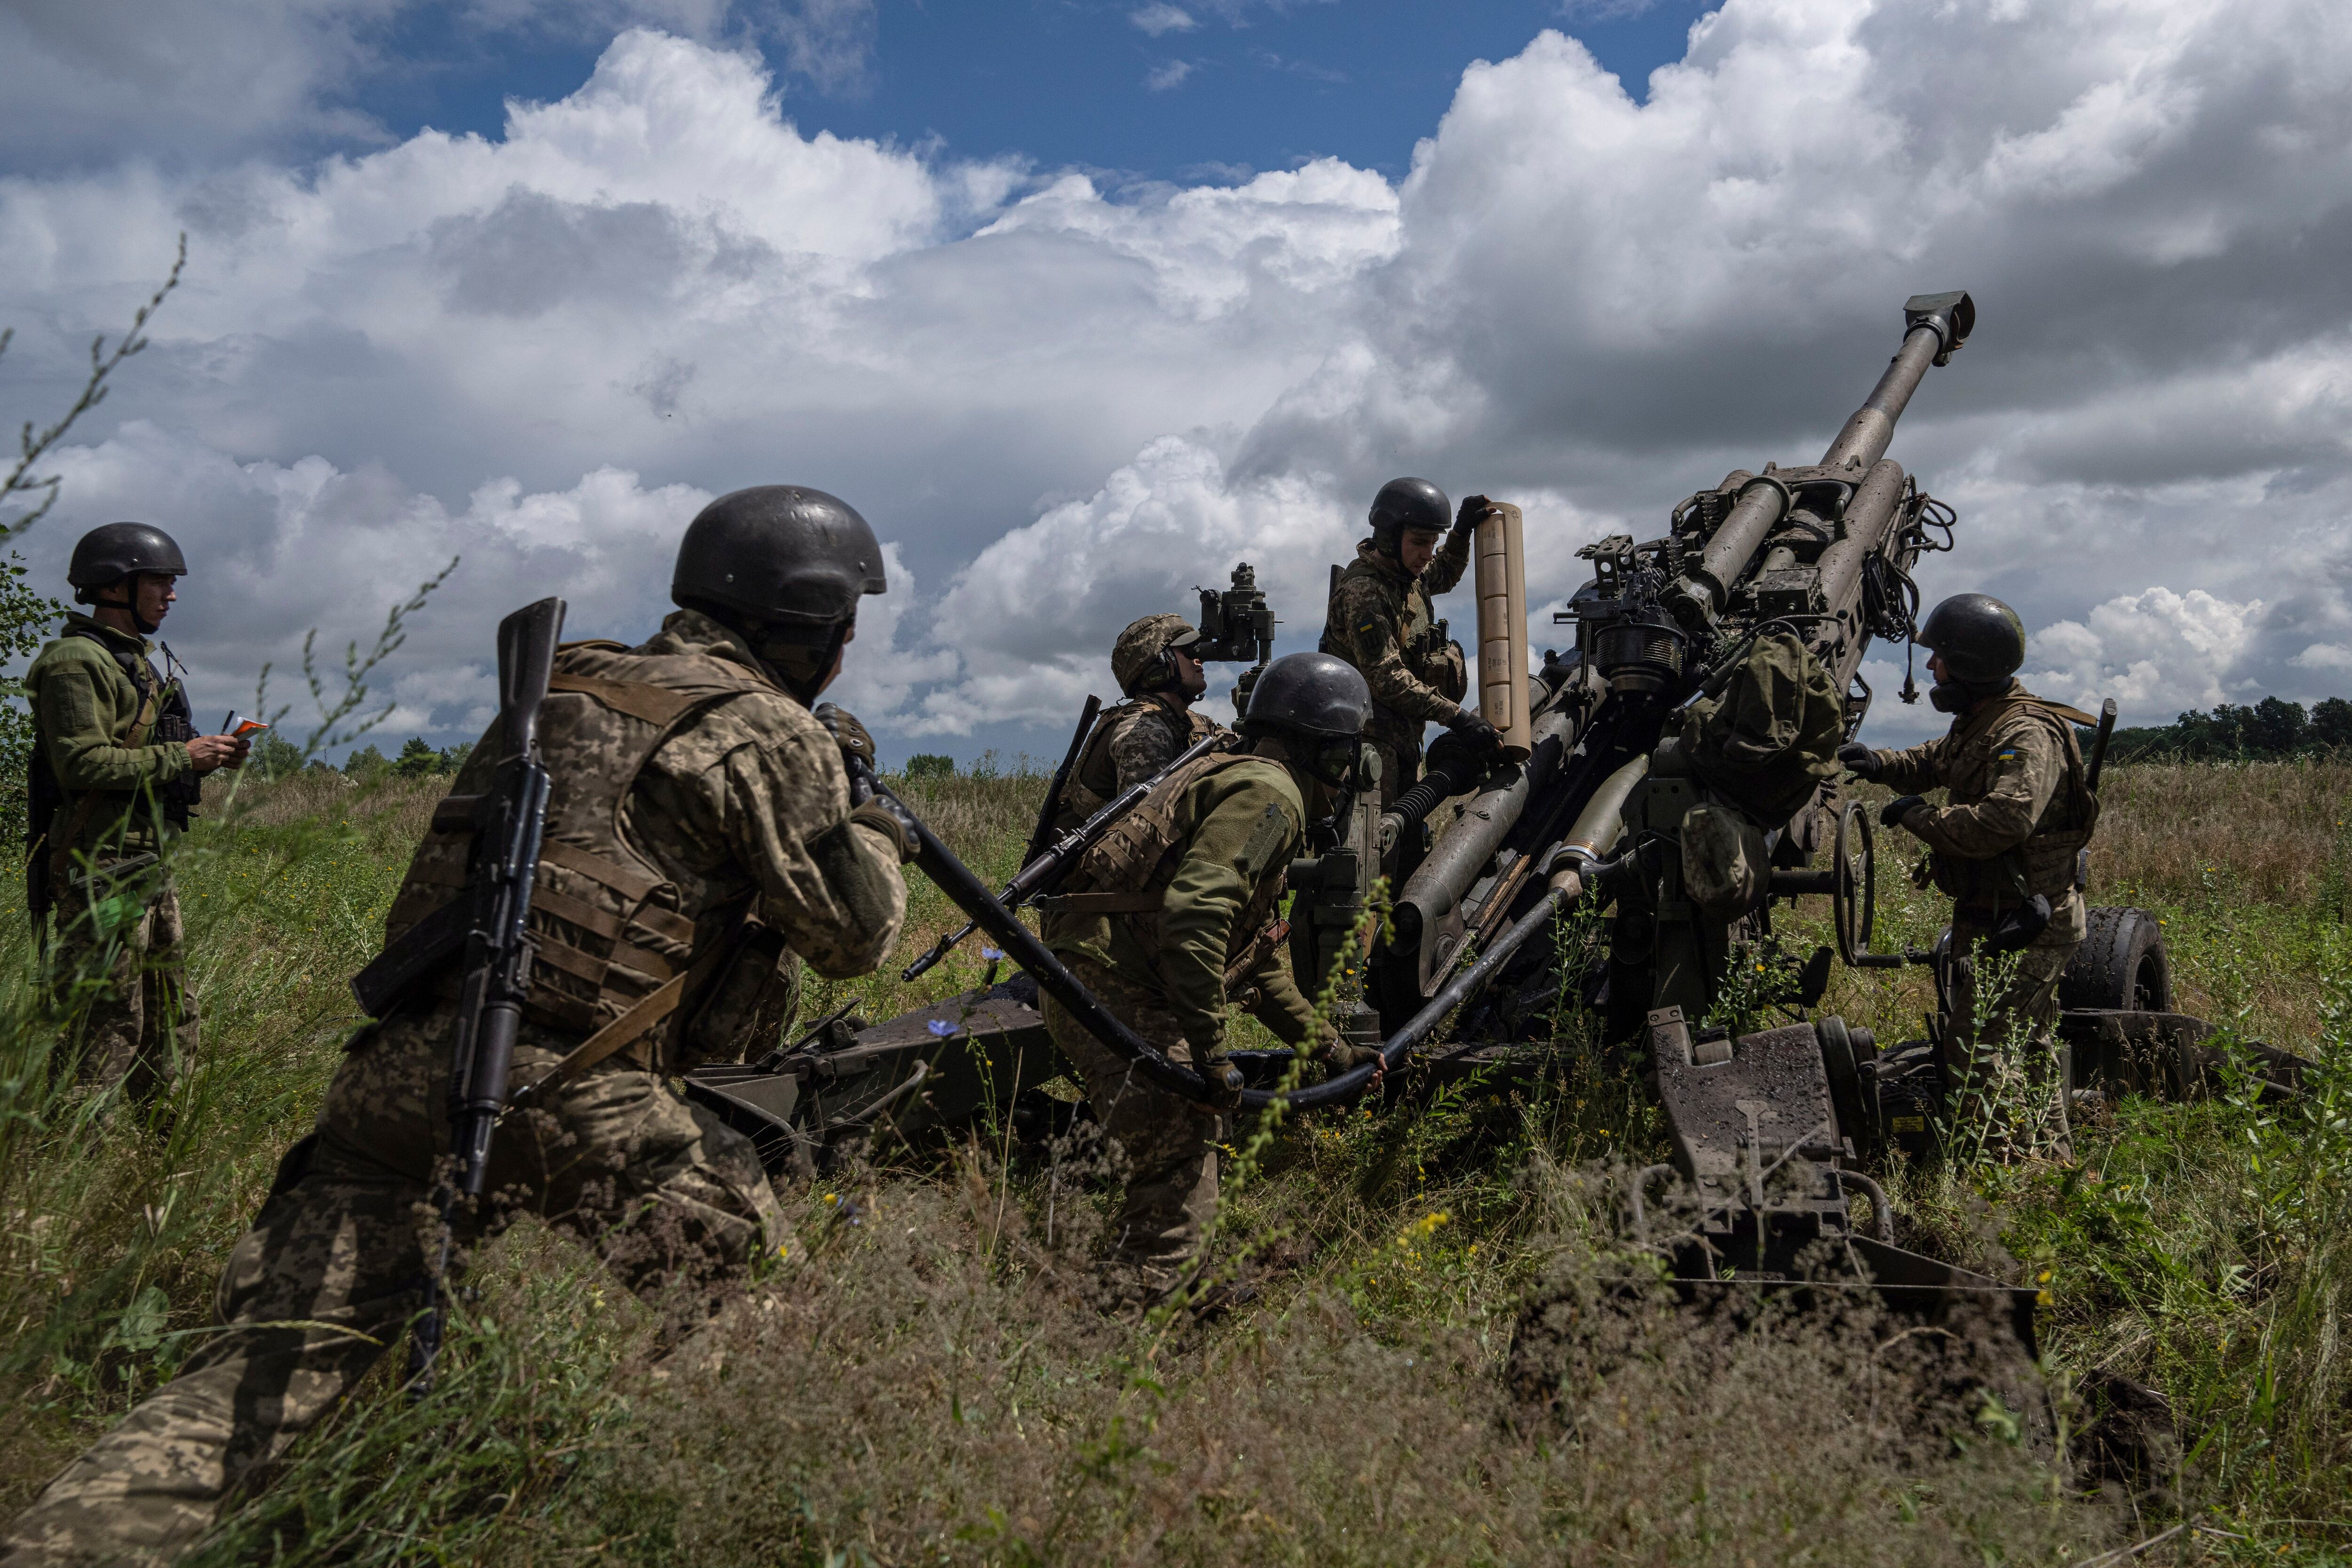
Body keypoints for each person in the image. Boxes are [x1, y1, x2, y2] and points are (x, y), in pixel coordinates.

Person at [1, 486, 917, 1568]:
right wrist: (865, 816)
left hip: (393, 1075)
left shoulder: (559, 682)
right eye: (844, 635)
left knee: (258, 1384)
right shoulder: (764, 728)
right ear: (807, 629)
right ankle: (745, 1526)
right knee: (765, 1314)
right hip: (583, 1093)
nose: (846, 659)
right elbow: (855, 938)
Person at [1035, 651, 1383, 1307]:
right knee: (1179, 1127)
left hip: (1093, 971)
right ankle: (1145, 1308)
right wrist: (1209, 1053)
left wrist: (1332, 1050)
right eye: (1343, 763)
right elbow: (1198, 912)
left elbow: (1261, 963)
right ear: (1322, 753)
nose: (1342, 784)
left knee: (1179, 1136)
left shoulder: (1237, 775)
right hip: (1117, 981)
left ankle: (1171, 1280)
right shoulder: (1271, 795)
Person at [1839, 593, 2099, 1160]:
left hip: (2029, 920)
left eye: (1939, 657)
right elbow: (1939, 759)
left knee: (1974, 1041)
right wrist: (1881, 764)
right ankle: (2051, 1162)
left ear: (1972, 664)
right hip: (1996, 911)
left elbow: (2002, 822)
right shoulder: (1983, 720)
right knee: (2025, 1043)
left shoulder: (2024, 733)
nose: (1931, 667)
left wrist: (1918, 817)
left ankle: (1994, 1169)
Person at [24, 523, 250, 1104]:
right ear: (116, 585)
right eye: (160, 582)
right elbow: (81, 764)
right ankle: (76, 1159)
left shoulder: (137, 663)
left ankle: (162, 1142)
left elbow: (141, 752)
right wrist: (183, 755)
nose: (171, 595)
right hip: (101, 869)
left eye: (172, 583)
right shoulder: (77, 662)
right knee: (105, 1014)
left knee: (169, 1010)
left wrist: (209, 756)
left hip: (146, 861)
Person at [1319, 478, 1498, 810]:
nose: (1427, 554)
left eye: (1433, 543)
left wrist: (1461, 530)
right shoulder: (1365, 592)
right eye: (1419, 542)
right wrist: (1456, 716)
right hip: (1367, 743)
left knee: (1408, 850)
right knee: (1380, 852)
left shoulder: (1407, 578)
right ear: (1389, 536)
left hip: (1401, 739)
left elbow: (1443, 571)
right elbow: (1386, 678)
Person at [1053, 613, 1225, 829]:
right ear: (1159, 666)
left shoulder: (1190, 723)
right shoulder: (1143, 730)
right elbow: (1144, 829)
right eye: (1188, 652)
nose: (1199, 660)